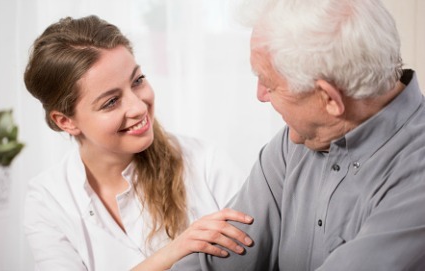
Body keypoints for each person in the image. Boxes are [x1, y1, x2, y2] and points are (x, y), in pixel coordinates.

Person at [171, 0, 425, 270]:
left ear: (329, 98)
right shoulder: (295, 142)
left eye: (269, 83)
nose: (260, 95)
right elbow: (216, 259)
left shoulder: (415, 180)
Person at [22, 15, 254, 271]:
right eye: (111, 101)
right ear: (66, 121)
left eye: (138, 81)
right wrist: (177, 250)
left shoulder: (206, 163)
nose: (138, 106)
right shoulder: (48, 200)